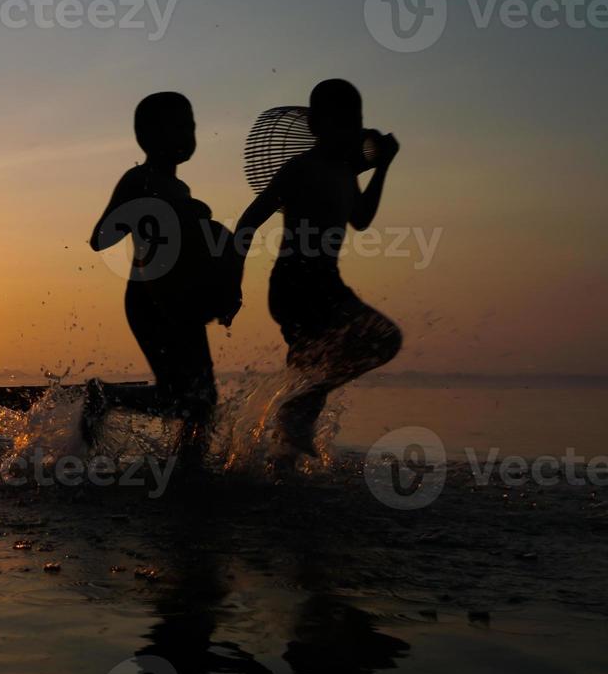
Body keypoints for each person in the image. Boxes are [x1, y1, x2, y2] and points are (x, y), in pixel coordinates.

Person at [231, 79, 403, 457]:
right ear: (316, 127)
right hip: (296, 283)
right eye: (341, 121)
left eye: (355, 120)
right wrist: (232, 282)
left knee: (352, 353)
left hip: (327, 282)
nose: (352, 129)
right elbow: (249, 221)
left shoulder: (346, 171)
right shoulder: (301, 167)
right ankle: (289, 423)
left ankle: (278, 461)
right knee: (360, 349)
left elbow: (361, 218)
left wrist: (382, 168)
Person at [90, 92, 237, 457]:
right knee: (181, 395)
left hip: (183, 295)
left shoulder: (181, 188)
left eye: (191, 126)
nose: (187, 134)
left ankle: (188, 468)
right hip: (149, 297)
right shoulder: (138, 179)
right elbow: (101, 237)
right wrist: (157, 212)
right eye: (178, 126)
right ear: (148, 135)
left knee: (203, 399)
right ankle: (107, 396)